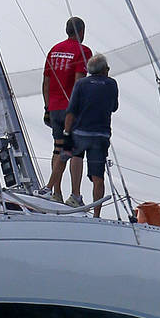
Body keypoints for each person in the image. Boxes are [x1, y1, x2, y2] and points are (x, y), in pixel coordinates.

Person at [41, 17, 91, 202]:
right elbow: (79, 82)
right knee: (76, 151)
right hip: (72, 108)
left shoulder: (54, 50)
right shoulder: (83, 51)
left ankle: (56, 193)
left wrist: (47, 107)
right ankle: (75, 195)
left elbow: (46, 82)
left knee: (58, 149)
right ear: (82, 31)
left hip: (54, 108)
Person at [63, 52, 119, 216]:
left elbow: (71, 111)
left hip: (80, 132)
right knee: (98, 176)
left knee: (76, 156)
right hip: (100, 135)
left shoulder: (81, 84)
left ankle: (75, 194)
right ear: (104, 70)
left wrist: (66, 134)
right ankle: (96, 214)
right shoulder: (111, 84)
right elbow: (114, 107)